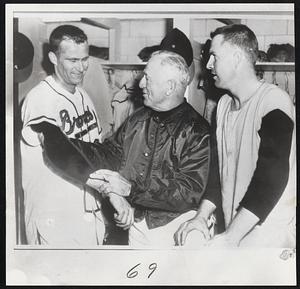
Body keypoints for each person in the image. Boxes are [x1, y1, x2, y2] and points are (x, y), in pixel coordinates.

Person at [34, 49, 222, 247]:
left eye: (147, 79)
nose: (140, 84)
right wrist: (62, 140)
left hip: (176, 230)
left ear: (170, 87)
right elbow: (109, 154)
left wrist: (130, 189)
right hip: (138, 225)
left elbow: (186, 192)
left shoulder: (197, 131)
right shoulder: (138, 119)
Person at [174, 24, 296, 248]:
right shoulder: (222, 105)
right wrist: (201, 217)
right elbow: (217, 174)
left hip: (269, 238)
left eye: (214, 56)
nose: (208, 65)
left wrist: (231, 237)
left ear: (237, 58)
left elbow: (271, 179)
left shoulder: (274, 102)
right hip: (235, 233)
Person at [20, 25, 106, 245]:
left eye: (84, 59)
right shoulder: (39, 98)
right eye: (72, 60)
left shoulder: (83, 95)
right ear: (53, 58)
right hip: (54, 216)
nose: (81, 67)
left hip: (87, 209)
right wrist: (107, 186)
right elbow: (57, 147)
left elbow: (95, 148)